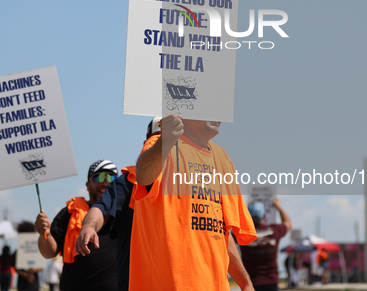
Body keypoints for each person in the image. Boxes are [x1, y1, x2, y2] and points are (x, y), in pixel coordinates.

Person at [131, 114, 258, 291]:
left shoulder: (222, 157)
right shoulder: (162, 144)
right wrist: (165, 141)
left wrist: (246, 283)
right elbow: (144, 177)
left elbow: (221, 231)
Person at [75, 118, 161, 291]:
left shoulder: (191, 183)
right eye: (157, 142)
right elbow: (100, 208)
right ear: (146, 146)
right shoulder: (129, 182)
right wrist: (89, 226)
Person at [35, 160, 119, 291]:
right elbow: (49, 253)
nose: (105, 182)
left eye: (112, 178)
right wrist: (45, 233)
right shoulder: (70, 212)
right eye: (99, 177)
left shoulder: (125, 214)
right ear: (87, 185)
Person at [240, 199, 292, 291]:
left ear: (248, 216)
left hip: (250, 284)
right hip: (271, 283)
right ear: (264, 216)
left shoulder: (242, 233)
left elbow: (229, 234)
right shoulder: (275, 230)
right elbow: (288, 224)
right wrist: (278, 207)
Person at [13, 221, 43, 291]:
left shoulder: (36, 250)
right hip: (24, 284)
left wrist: (33, 270)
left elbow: (41, 266)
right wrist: (27, 275)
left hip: (31, 284)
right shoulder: (18, 252)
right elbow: (16, 268)